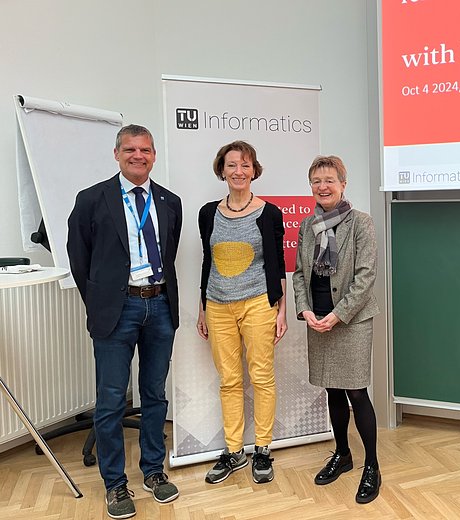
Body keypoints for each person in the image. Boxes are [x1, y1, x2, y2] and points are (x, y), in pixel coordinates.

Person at [67, 124, 182, 519]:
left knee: (154, 395)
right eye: (130, 149)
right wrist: (101, 302)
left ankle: (153, 471)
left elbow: (170, 251)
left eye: (146, 150)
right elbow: (79, 260)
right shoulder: (91, 199)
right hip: (117, 310)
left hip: (160, 307)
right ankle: (115, 484)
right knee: (112, 399)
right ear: (116, 153)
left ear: (154, 155)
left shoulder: (169, 201)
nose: (139, 156)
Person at [196, 140, 287, 485]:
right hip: (217, 305)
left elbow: (277, 262)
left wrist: (281, 309)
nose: (239, 171)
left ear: (254, 171)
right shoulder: (208, 213)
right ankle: (234, 451)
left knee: (261, 377)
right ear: (222, 169)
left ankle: (262, 449)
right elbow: (209, 260)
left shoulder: (270, 213)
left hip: (258, 303)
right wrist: (203, 305)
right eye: (232, 165)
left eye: (245, 165)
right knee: (229, 380)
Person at [293, 155, 382, 504]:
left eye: (330, 179)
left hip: (352, 320)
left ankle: (371, 465)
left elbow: (365, 276)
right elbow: (301, 274)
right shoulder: (306, 226)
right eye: (316, 181)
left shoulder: (361, 223)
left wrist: (339, 314)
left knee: (356, 392)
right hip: (318, 317)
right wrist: (305, 308)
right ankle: (343, 454)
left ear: (343, 184)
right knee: (331, 389)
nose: (323, 186)